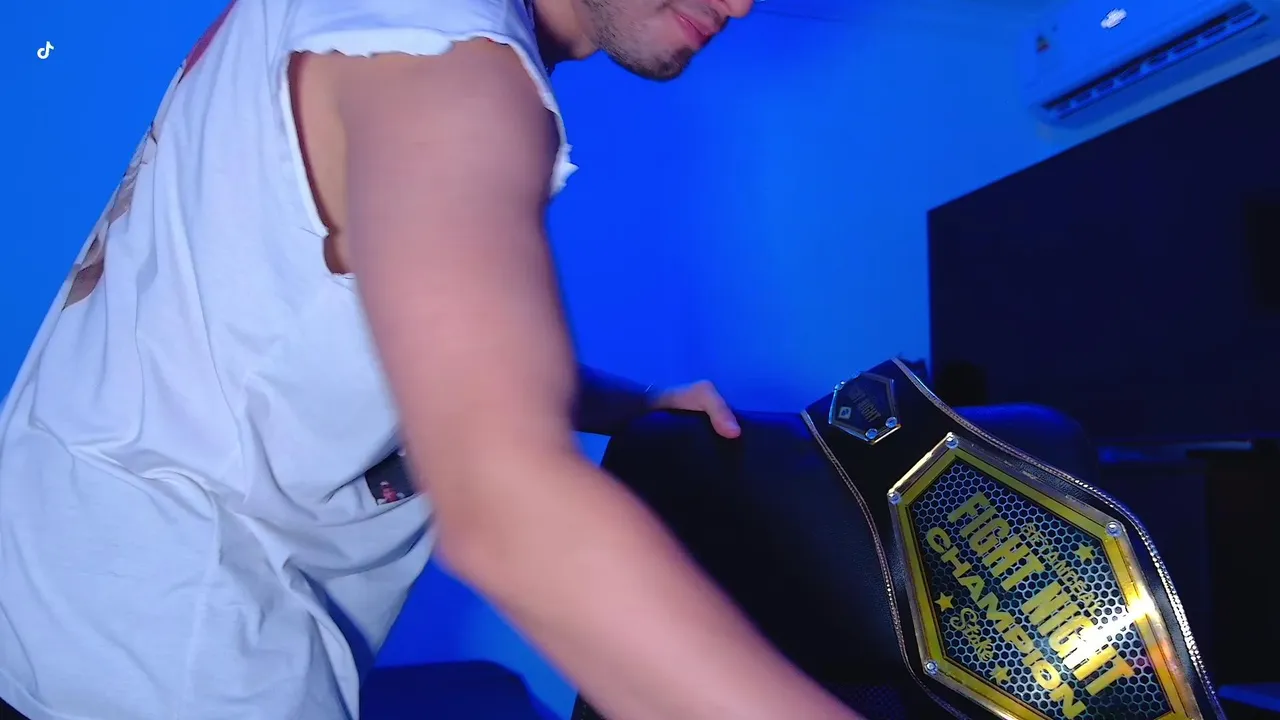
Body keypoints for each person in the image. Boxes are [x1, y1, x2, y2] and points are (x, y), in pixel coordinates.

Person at [0, 0, 867, 718]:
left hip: (55, 575)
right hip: (175, 640)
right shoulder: (449, 65)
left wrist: (628, 402)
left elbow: (358, 315)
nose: (742, 4)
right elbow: (511, 511)